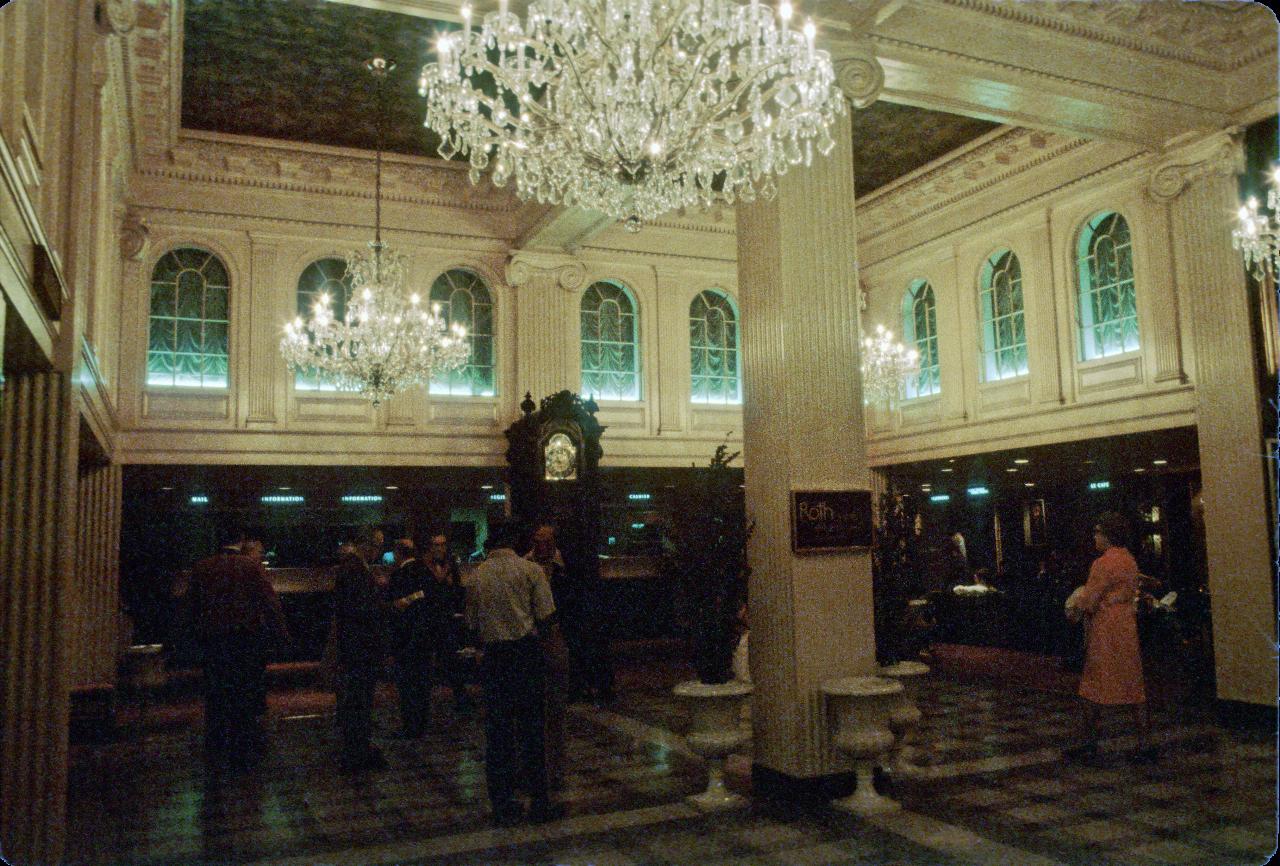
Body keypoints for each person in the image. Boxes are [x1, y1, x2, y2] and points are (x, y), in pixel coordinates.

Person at [466, 522, 564, 826]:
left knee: (498, 734)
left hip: (495, 657)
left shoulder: (478, 575)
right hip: (525, 653)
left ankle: (502, 803)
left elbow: (471, 624)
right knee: (532, 730)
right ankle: (539, 801)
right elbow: (547, 617)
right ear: (513, 541)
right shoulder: (529, 570)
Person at [189, 530, 288, 770]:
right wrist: (282, 634)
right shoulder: (250, 567)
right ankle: (240, 752)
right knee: (242, 695)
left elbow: (191, 607)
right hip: (245, 641)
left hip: (213, 643)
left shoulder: (202, 568)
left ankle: (214, 748)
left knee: (216, 696)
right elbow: (269, 603)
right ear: (240, 541)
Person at [1064, 512, 1154, 764]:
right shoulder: (1129, 560)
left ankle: (1088, 742)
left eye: (1097, 532)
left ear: (1107, 535)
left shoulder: (1102, 564)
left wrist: (1076, 603)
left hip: (1105, 629)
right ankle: (1145, 743)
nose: (1095, 537)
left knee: (1094, 684)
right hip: (1126, 626)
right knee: (1133, 686)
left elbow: (1089, 599)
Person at [333, 528, 388, 771]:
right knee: (359, 700)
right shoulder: (355, 570)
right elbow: (362, 610)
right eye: (377, 545)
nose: (379, 551)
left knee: (357, 699)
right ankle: (357, 752)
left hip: (355, 645)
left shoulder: (350, 568)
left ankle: (357, 749)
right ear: (365, 544)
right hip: (361, 646)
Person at [525, 523, 572, 788]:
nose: (541, 545)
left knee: (555, 710)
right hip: (533, 640)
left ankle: (553, 770)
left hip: (555, 640)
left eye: (545, 540)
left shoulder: (563, 567)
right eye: (537, 540)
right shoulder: (526, 565)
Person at [387, 538, 432, 737]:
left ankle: (410, 726)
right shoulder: (425, 572)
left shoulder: (399, 575)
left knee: (407, 686)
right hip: (424, 637)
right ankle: (422, 723)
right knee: (422, 684)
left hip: (405, 638)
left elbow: (395, 608)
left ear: (399, 553)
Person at [424, 532, 474, 712]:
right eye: (436, 545)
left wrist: (458, 610)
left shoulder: (450, 564)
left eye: (442, 545)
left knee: (453, 659)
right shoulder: (424, 565)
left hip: (447, 619)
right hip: (430, 619)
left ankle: (460, 698)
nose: (439, 548)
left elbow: (457, 589)